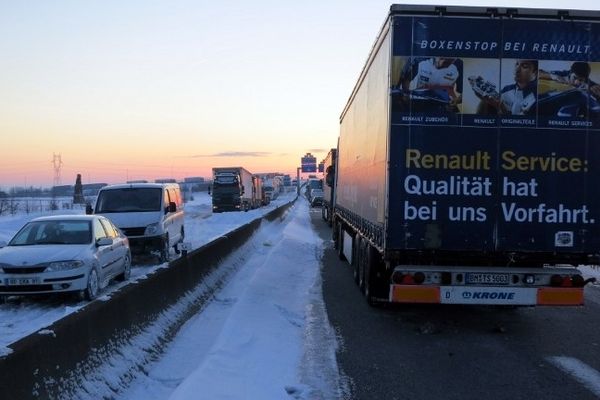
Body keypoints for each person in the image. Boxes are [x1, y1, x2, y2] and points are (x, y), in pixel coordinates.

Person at [396, 57, 463, 112]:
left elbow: (466, 95)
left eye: (447, 62)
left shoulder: (459, 65)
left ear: (454, 60)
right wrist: (406, 95)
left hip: (444, 105)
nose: (441, 63)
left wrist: (456, 101)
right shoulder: (420, 59)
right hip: (420, 102)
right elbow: (406, 80)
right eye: (441, 58)